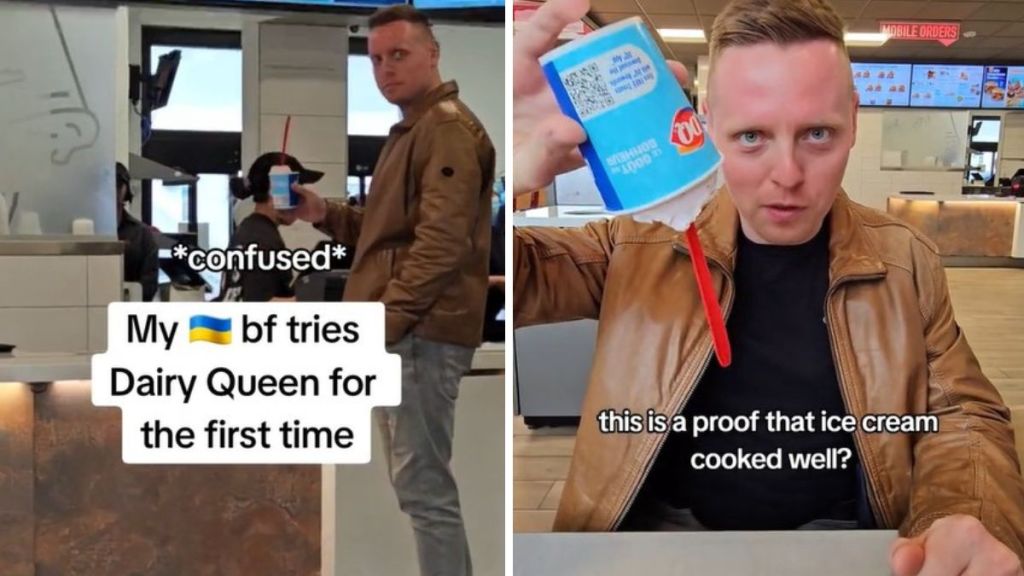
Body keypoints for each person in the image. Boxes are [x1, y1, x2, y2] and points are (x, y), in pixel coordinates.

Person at [513, 0, 1024, 574]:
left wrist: (964, 511)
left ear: (853, 120)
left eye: (817, 134)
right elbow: (482, 285)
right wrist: (500, 175)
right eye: (752, 135)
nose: (787, 174)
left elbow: (963, 415)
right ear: (705, 122)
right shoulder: (638, 240)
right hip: (660, 538)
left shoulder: (904, 258)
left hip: (847, 540)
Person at [290, 5, 495, 576]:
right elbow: (387, 238)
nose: (385, 70)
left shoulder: (446, 130)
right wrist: (323, 213)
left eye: (398, 55)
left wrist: (382, 323)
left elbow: (441, 246)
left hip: (419, 334)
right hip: (409, 331)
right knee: (421, 490)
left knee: (425, 492)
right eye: (376, 59)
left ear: (433, 54)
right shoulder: (415, 130)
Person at [219, 152, 323, 302]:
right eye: (296, 192)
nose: (302, 199)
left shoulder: (247, 231)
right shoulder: (263, 242)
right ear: (277, 192)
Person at [116, 162, 158, 301]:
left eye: (117, 184)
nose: (112, 190)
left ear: (126, 189)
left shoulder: (142, 234)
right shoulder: (88, 233)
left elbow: (149, 285)